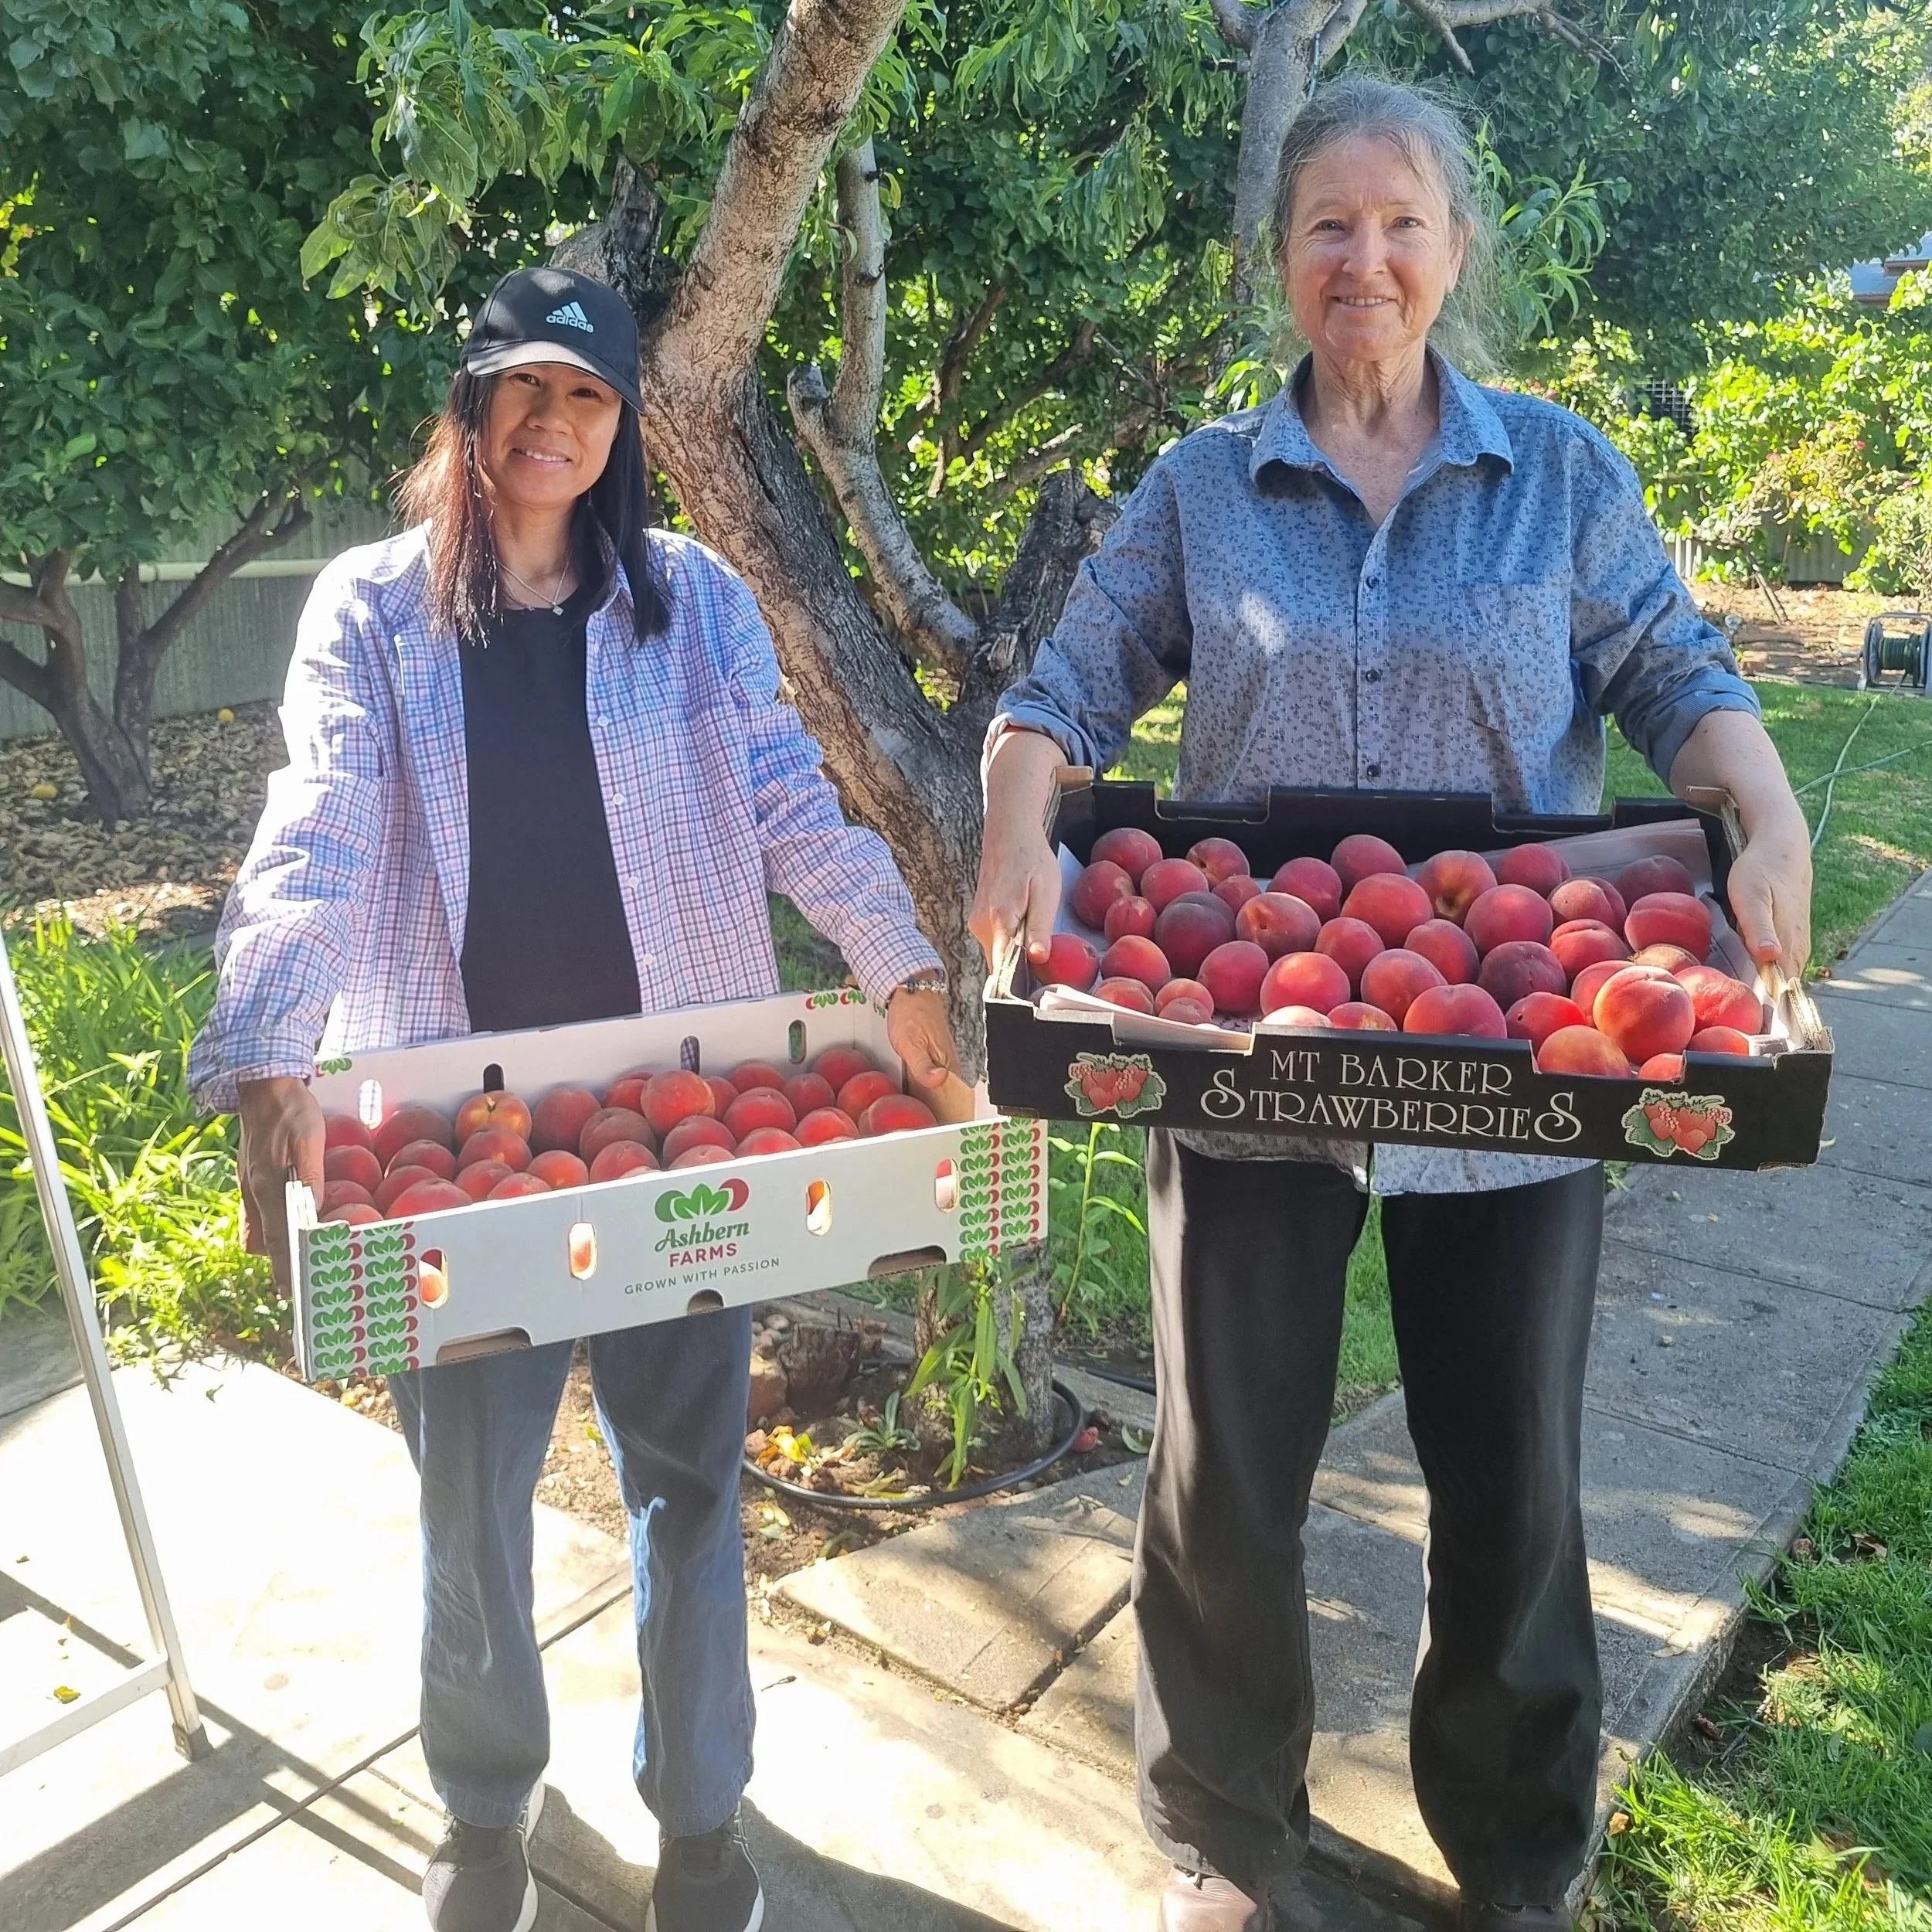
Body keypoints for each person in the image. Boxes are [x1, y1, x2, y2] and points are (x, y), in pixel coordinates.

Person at [971, 75, 1811, 1932]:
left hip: (1520, 1046)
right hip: (1246, 1032)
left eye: (1398, 224)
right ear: (1282, 258)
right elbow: (1069, 681)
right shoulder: (1204, 483)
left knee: (1510, 1474)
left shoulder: (1560, 471)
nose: (1363, 260)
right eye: (1325, 227)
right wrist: (1015, 816)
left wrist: (1761, 811)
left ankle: (1514, 1854)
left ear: (1451, 250)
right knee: (1225, 1471)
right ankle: (1222, 1837)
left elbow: (1673, 669)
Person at [190, 264, 960, 1932]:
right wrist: (267, 1057)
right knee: (467, 1494)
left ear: (621, 427)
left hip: (671, 1122)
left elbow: (791, 803)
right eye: (523, 388)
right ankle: (481, 1813)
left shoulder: (689, 603)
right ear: (470, 407)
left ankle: (699, 1822)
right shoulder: (372, 613)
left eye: (588, 395)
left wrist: (896, 966)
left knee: (691, 1480)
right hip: (457, 1146)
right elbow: (314, 828)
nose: (554, 420)